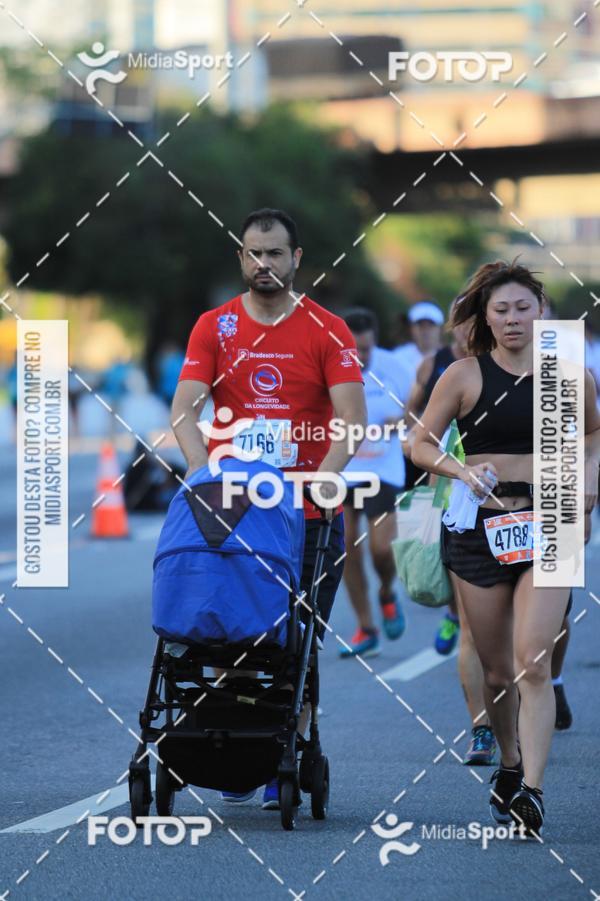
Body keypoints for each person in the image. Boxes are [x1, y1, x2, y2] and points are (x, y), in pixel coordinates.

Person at [170, 207, 366, 811]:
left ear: (297, 259)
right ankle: (234, 741)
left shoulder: (328, 330)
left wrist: (318, 483)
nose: (264, 264)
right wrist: (205, 474)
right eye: (254, 253)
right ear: (241, 258)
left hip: (306, 516)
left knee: (296, 638)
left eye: (275, 253)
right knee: (227, 629)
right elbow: (184, 412)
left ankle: (290, 739)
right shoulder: (215, 326)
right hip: (232, 517)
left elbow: (351, 423)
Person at [412, 260, 600, 836]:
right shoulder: (464, 376)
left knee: (533, 662)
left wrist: (587, 487)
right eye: (502, 310)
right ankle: (510, 764)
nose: (514, 319)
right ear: (486, 318)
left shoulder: (568, 373)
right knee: (497, 673)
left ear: (541, 310)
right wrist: (460, 471)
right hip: (480, 528)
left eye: (523, 307)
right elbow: (418, 444)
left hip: (551, 519)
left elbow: (593, 434)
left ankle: (534, 792)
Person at [405, 300, 498, 765]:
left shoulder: (540, 367)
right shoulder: (443, 369)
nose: (464, 331)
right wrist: (440, 469)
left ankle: (537, 697)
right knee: (471, 630)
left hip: (527, 514)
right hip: (457, 504)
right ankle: (482, 727)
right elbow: (415, 430)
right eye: (458, 323)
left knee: (528, 633)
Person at [338, 307, 409, 658]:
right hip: (341, 468)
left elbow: (421, 406)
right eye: (352, 350)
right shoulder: (330, 365)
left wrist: (397, 423)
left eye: (365, 349)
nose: (359, 357)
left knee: (382, 547)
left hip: (382, 470)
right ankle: (366, 627)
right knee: (347, 547)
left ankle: (386, 592)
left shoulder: (394, 366)